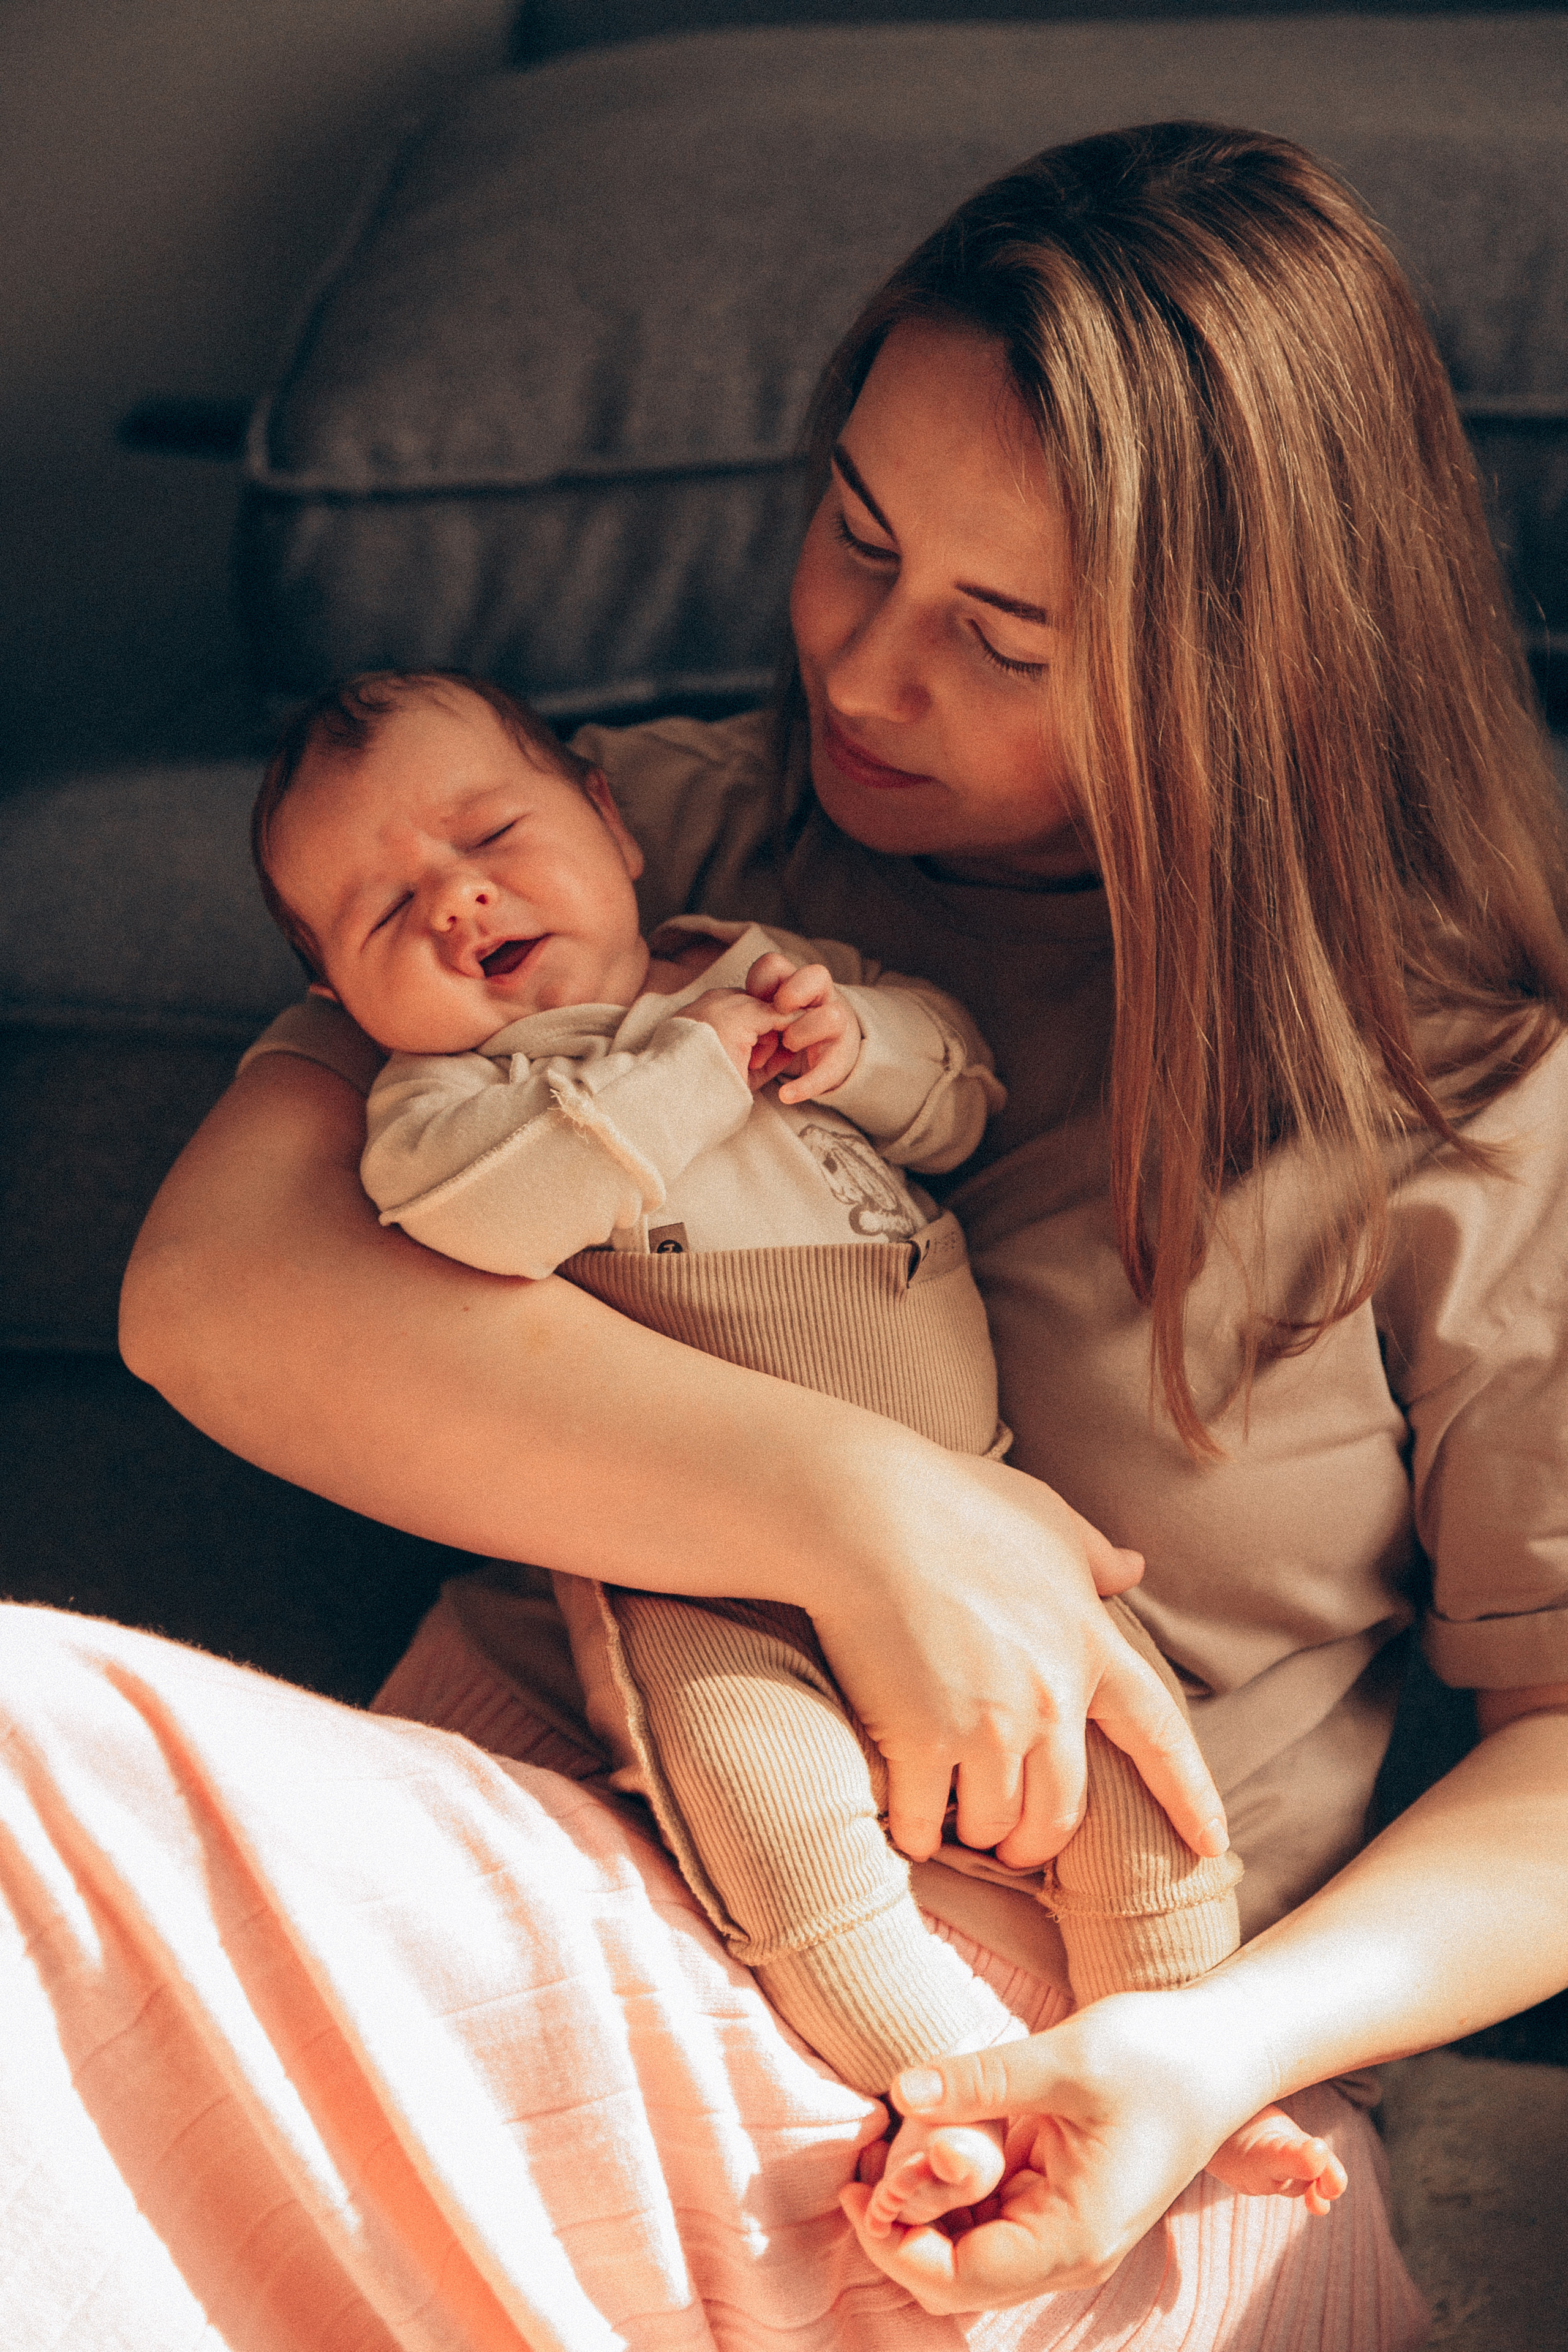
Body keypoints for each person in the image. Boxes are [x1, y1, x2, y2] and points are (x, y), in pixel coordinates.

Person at [87, 117, 1568, 2342]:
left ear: (1247, 671)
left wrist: (1211, 2053)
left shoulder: (1468, 1087)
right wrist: (866, 1511)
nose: (865, 675)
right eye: (855, 538)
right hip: (553, 1869)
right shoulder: (627, 840)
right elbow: (218, 1294)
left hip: (1086, 2080)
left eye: (1002, 637)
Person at [244, 663, 1336, 2230]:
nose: (455, 901)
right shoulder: (444, 1104)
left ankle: (1182, 2067)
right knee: (777, 1830)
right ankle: (953, 2089)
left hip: (975, 1503)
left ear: (614, 825)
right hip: (683, 1570)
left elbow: (956, 1097)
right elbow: (491, 1226)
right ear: (337, 998)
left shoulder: (759, 968)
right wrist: (692, 1070)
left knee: (1132, 1787)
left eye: (488, 836)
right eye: (377, 912)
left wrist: (859, 1047)